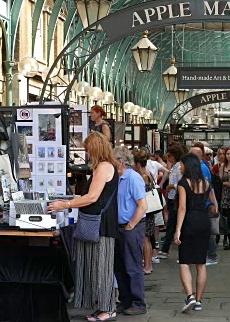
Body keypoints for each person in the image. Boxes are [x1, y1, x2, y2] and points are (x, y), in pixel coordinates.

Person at [47, 132, 118, 322]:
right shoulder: (103, 167)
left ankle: (108, 308)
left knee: (101, 267)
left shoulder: (103, 167)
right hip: (98, 224)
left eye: (87, 150)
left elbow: (93, 197)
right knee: (95, 266)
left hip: (101, 225)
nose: (86, 154)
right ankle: (102, 306)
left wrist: (66, 205)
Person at [174, 153, 217, 313]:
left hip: (189, 222)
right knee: (201, 263)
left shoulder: (183, 183)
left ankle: (190, 296)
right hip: (204, 222)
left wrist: (177, 229)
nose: (180, 166)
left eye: (182, 164)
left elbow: (182, 207)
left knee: (184, 261)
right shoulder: (205, 182)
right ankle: (199, 301)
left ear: (187, 165)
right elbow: (213, 201)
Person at [112, 146, 148, 316]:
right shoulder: (117, 179)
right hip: (120, 227)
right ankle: (125, 300)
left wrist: (131, 225)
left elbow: (143, 205)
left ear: (120, 162)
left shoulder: (133, 178)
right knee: (119, 266)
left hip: (130, 227)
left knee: (133, 266)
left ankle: (138, 303)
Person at [132, 150, 159, 275]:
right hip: (149, 209)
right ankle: (147, 264)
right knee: (146, 238)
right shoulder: (147, 173)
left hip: (146, 210)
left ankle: (148, 265)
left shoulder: (142, 176)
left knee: (145, 239)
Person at [158, 145, 184, 259]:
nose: (168, 158)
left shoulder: (179, 168)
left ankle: (165, 249)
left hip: (176, 198)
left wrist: (171, 186)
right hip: (172, 197)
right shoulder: (175, 167)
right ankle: (165, 249)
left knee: (172, 224)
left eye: (170, 156)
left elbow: (182, 183)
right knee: (171, 224)